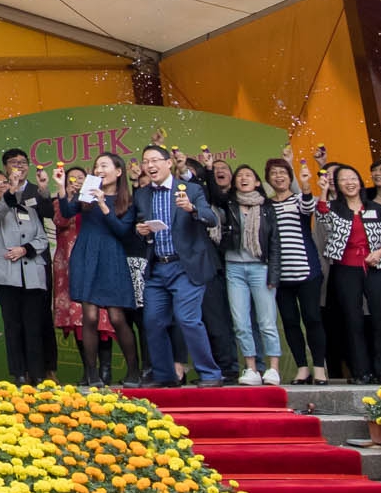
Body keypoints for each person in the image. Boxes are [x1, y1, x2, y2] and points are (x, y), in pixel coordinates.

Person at [123, 146, 224, 386]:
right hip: (157, 268)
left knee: (187, 319)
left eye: (155, 160)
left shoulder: (191, 189)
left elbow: (211, 219)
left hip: (186, 267)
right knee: (153, 322)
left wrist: (192, 208)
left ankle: (210, 374)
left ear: (169, 163)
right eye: (146, 161)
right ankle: (165, 376)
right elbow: (140, 227)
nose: (150, 165)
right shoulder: (142, 195)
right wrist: (141, 230)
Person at [55, 160, 141, 386]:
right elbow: (66, 212)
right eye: (97, 167)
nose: (99, 170)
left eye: (104, 166)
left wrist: (103, 205)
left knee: (116, 317)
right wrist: (62, 189)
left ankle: (134, 371)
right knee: (89, 317)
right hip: (85, 254)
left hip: (111, 256)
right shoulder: (88, 193)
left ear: (119, 171)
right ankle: (91, 374)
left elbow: (123, 231)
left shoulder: (127, 201)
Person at [319, 162, 381, 384]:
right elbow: (321, 216)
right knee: (352, 320)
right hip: (345, 268)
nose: (349, 183)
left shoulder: (376, 208)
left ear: (360, 181)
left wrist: (380, 252)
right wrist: (322, 190)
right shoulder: (333, 208)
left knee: (380, 319)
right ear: (337, 185)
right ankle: (361, 371)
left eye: (353, 178)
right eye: (343, 180)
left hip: (376, 267)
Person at [0, 165, 52, 383]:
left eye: (5, 182)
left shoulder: (29, 210)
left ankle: (37, 374)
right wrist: (11, 193)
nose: (3, 186)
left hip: (32, 275)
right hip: (6, 277)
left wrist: (25, 249)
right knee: (13, 326)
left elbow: (42, 239)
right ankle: (19, 374)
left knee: (34, 326)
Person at [218, 164, 281, 385]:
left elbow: (274, 242)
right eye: (240, 176)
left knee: (266, 321)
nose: (244, 178)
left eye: (249, 175)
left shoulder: (267, 207)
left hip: (260, 268)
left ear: (257, 182)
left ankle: (273, 368)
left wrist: (273, 276)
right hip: (234, 268)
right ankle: (251, 368)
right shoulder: (228, 205)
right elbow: (215, 195)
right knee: (241, 322)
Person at [265, 159, 328, 382]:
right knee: (290, 322)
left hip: (307, 271)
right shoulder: (266, 205)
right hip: (281, 276)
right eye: (274, 173)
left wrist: (306, 185)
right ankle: (302, 367)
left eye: (282, 172)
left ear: (289, 177)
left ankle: (319, 367)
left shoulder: (299, 199)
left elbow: (309, 208)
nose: (278, 176)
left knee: (312, 319)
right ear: (268, 178)